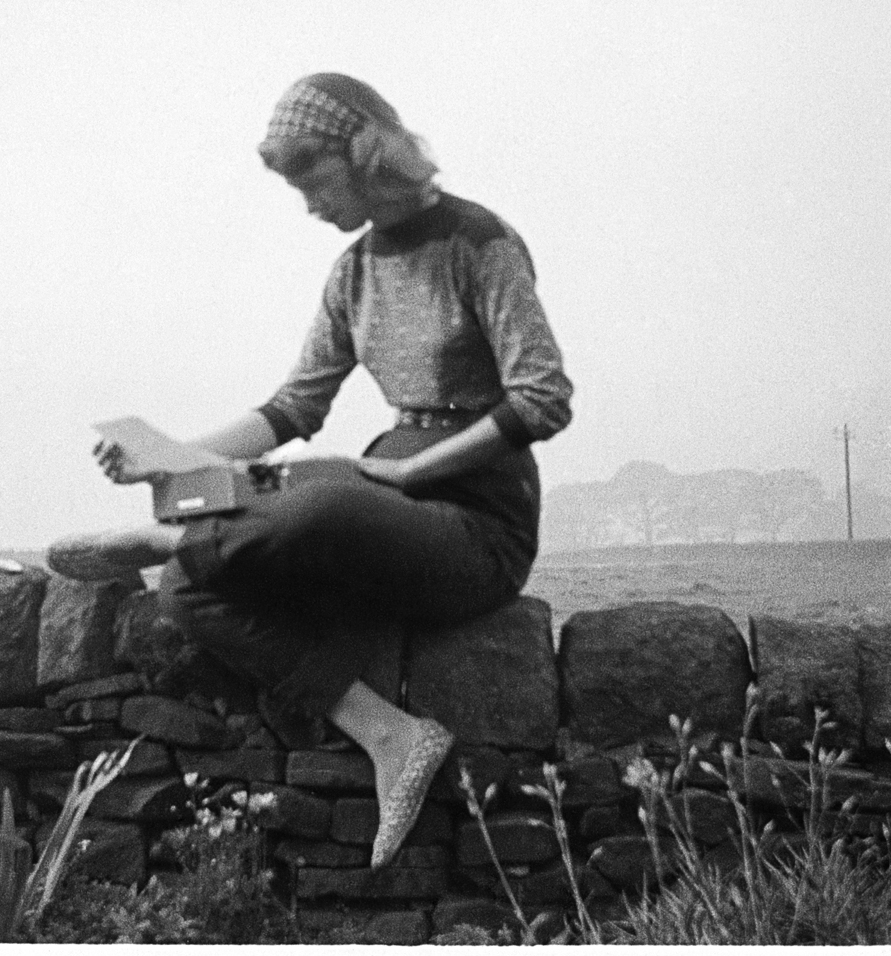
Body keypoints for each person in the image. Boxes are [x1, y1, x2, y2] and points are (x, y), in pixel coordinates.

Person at [48, 73, 573, 868]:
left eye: (313, 179)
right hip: (384, 495)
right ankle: (390, 734)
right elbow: (293, 407)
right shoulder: (353, 271)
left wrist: (411, 474)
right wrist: (164, 454)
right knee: (189, 589)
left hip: (476, 523)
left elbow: (543, 397)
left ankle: (167, 535)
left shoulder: (480, 242)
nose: (309, 205)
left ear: (365, 154)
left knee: (324, 500)